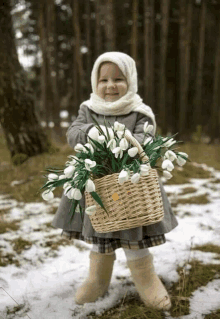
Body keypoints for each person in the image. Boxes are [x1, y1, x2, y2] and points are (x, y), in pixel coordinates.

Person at [51, 51, 178, 310]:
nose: (110, 86)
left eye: (118, 79)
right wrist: (91, 131)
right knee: (100, 231)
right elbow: (73, 133)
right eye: (103, 80)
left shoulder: (139, 111)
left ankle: (145, 278)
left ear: (130, 80)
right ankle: (98, 279)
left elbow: (145, 139)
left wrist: (121, 143)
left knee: (133, 229)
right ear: (95, 83)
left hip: (131, 186)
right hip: (97, 186)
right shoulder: (88, 109)